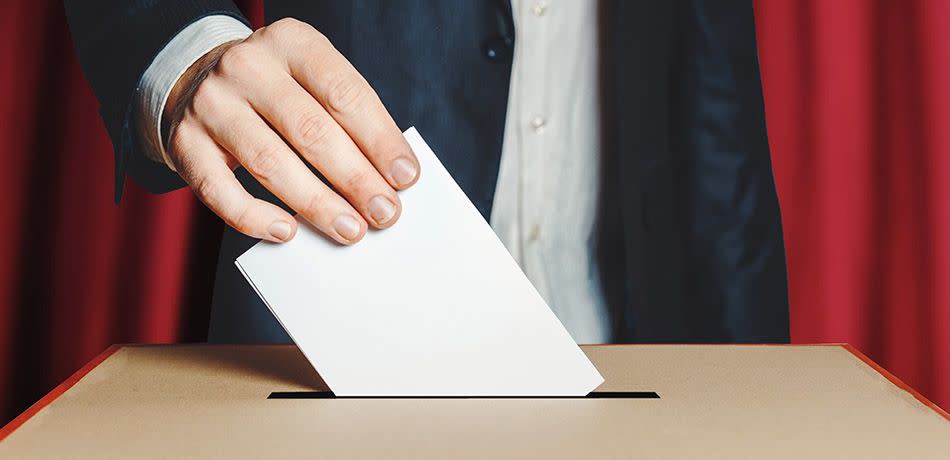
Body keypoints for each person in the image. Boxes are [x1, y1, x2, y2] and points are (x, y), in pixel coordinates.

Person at [64, 0, 790, 344]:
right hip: (334, 353)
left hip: (634, 350)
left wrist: (753, 392)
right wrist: (187, 53)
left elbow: (713, 87)